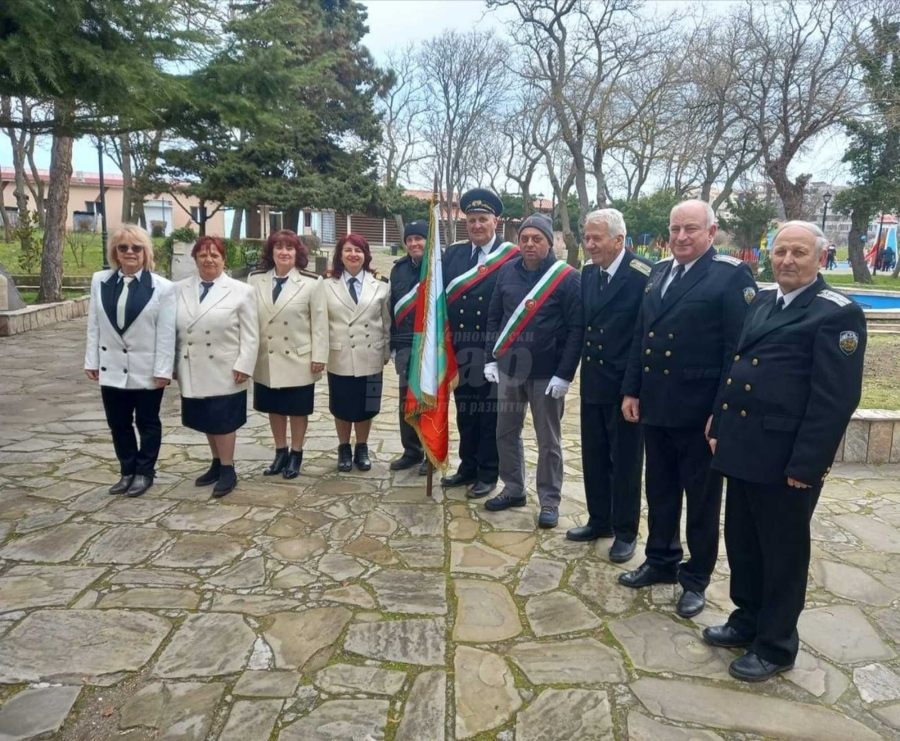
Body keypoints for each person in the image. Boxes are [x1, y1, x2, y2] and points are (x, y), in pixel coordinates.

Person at [704, 221, 866, 681]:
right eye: (780, 252)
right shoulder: (763, 300)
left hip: (785, 459)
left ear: (820, 257)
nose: (788, 261)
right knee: (743, 542)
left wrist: (807, 465)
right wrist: (719, 418)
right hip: (744, 448)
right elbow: (736, 365)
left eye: (799, 252)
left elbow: (834, 399)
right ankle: (747, 619)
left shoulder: (837, 314)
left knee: (782, 553)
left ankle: (776, 645)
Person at [619, 200, 757, 618]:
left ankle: (695, 577)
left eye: (691, 229)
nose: (681, 237)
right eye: (675, 228)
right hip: (657, 405)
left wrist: (722, 409)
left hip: (699, 411)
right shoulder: (659, 272)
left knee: (700, 500)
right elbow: (642, 337)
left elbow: (739, 350)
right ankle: (661, 559)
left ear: (711, 232)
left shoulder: (731, 276)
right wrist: (631, 390)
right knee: (659, 489)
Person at [482, 213, 582, 529]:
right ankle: (513, 489)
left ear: (549, 243)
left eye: (536, 238)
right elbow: (494, 318)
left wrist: (564, 374)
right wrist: (490, 359)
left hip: (547, 375)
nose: (528, 243)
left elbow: (577, 329)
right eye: (524, 238)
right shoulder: (506, 273)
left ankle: (549, 501)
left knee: (548, 441)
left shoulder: (566, 278)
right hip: (511, 370)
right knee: (506, 432)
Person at [566, 209, 650, 563]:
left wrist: (633, 388)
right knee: (595, 455)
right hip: (594, 382)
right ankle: (600, 520)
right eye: (587, 237)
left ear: (619, 240)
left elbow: (643, 336)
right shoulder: (588, 274)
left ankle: (626, 530)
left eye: (596, 238)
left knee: (626, 462)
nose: (589, 244)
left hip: (624, 386)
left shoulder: (643, 274)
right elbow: (582, 326)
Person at [84, 224, 175, 498]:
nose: (130, 252)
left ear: (145, 252)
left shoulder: (163, 288)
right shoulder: (100, 280)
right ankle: (127, 470)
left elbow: (167, 332)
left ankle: (145, 471)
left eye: (136, 247)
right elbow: (94, 324)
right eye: (123, 247)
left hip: (146, 369)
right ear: (115, 252)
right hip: (111, 366)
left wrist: (163, 370)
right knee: (118, 423)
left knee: (147, 422)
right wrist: (91, 360)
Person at [441, 188, 519, 498]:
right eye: (471, 220)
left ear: (495, 221)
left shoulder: (511, 257)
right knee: (465, 411)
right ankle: (467, 466)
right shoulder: (455, 255)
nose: (476, 225)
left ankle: (488, 472)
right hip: (461, 349)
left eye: (482, 219)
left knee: (490, 415)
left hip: (494, 350)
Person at [174, 236, 259, 497]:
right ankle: (215, 462)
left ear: (224, 259)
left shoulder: (241, 290)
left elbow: (251, 334)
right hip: (192, 364)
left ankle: (228, 468)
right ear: (195, 259)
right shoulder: (179, 289)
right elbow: (172, 330)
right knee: (205, 418)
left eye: (214, 255)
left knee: (223, 420)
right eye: (203, 255)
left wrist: (245, 364)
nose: (208, 259)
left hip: (226, 366)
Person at [248, 230, 327, 480]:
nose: (284, 252)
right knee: (274, 407)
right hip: (267, 356)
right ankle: (280, 451)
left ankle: (296, 453)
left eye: (289, 248)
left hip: (298, 357)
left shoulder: (312, 282)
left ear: (297, 253)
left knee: (297, 408)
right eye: (279, 247)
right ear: (271, 252)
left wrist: (319, 356)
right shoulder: (255, 280)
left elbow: (320, 323)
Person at [323, 233, 391, 472]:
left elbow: (386, 321)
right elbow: (321, 324)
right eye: (348, 250)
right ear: (340, 255)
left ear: (366, 255)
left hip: (371, 354)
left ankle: (362, 446)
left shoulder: (381, 284)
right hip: (339, 355)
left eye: (358, 250)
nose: (353, 254)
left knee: (367, 406)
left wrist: (386, 352)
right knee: (341, 406)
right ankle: (344, 448)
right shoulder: (325, 285)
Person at [389, 220, 428, 475]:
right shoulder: (399, 270)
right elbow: (392, 309)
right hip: (405, 346)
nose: (414, 243)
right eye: (410, 239)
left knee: (431, 403)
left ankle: (431, 453)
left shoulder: (440, 266)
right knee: (407, 403)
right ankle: (412, 451)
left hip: (433, 348)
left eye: (419, 238)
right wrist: (393, 346)